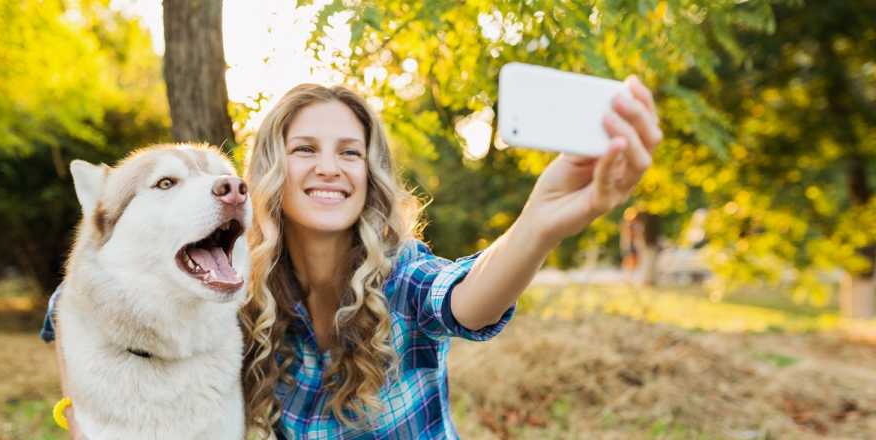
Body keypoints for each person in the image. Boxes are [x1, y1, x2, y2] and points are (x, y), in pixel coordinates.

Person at [42, 79, 661, 439]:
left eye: (350, 152)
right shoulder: (236, 286)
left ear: (369, 174)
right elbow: (74, 301)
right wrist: (79, 417)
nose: (330, 167)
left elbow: (468, 300)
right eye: (305, 149)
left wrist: (539, 224)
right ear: (272, 171)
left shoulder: (400, 273)